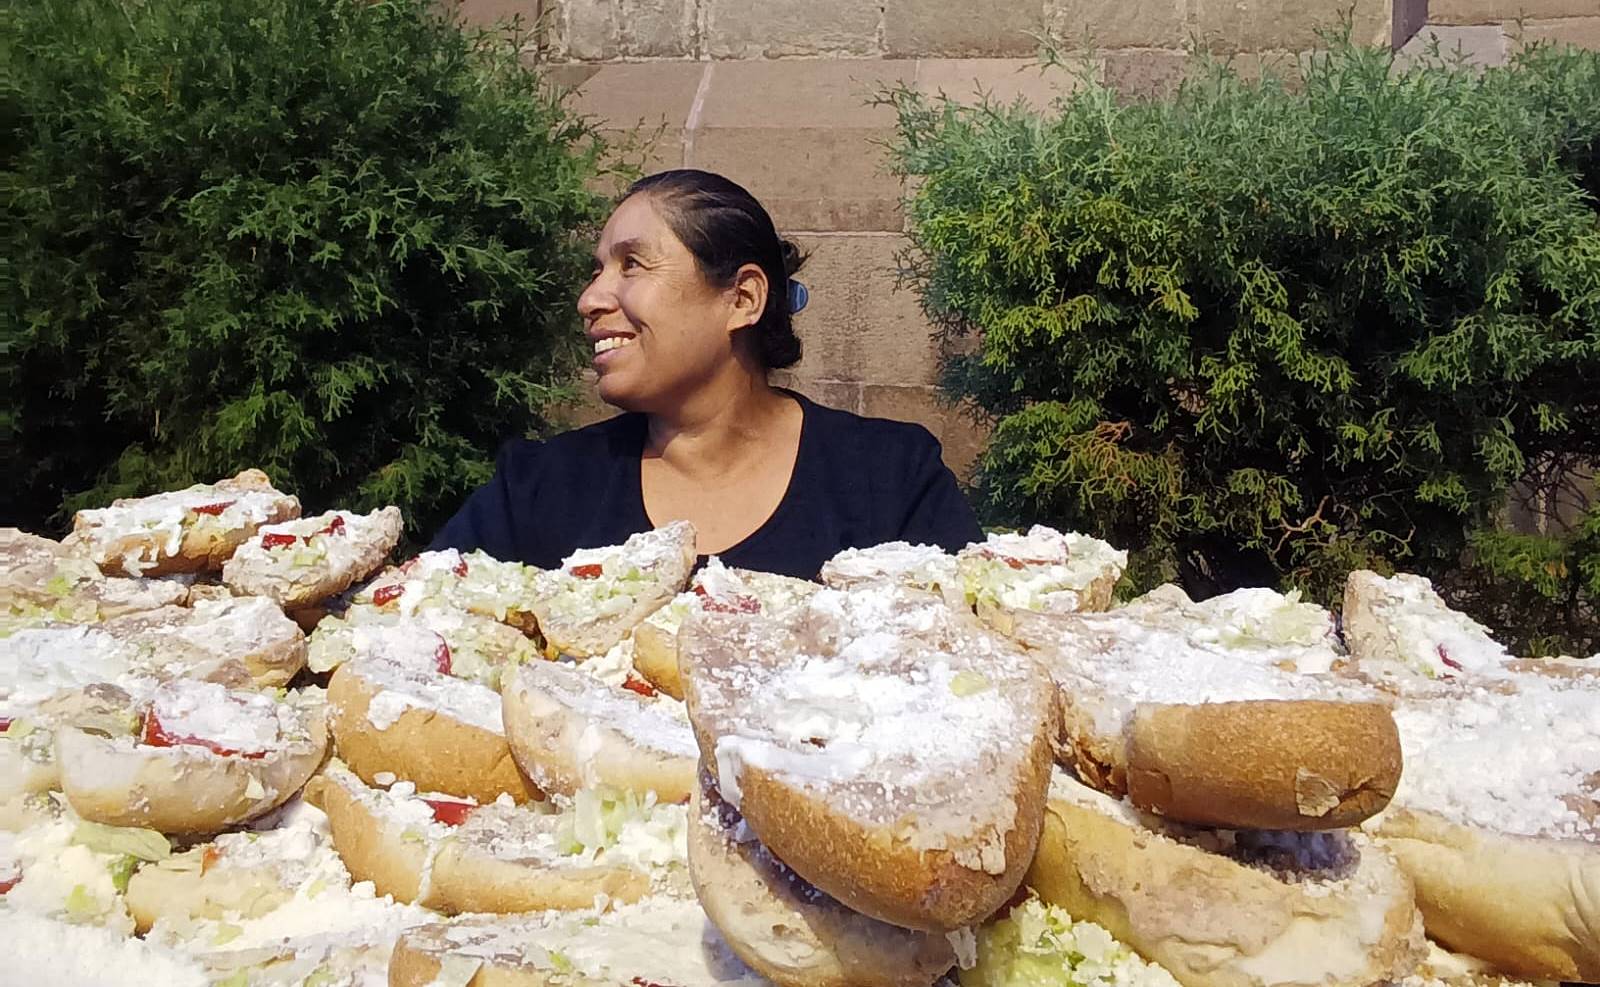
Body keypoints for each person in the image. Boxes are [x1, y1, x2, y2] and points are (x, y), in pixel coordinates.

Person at [429, 169, 981, 579]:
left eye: (632, 265)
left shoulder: (889, 482)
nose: (590, 299)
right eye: (597, 271)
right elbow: (416, 633)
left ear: (742, 298)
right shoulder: (539, 489)